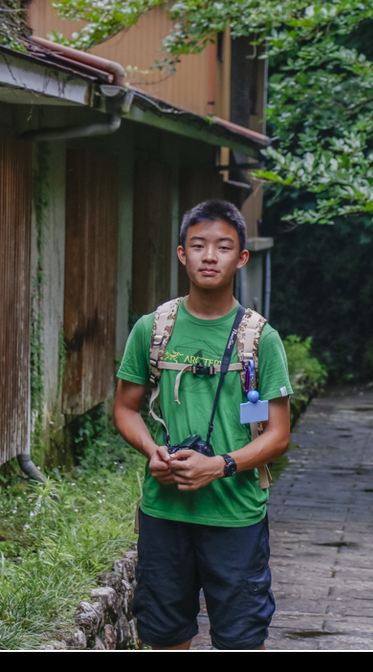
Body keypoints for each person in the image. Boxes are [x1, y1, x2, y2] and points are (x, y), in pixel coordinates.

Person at [113, 198, 292, 650]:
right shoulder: (153, 329)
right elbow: (126, 409)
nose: (209, 256)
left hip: (236, 516)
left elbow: (278, 435)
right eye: (198, 245)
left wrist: (220, 465)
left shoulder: (261, 340)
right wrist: (152, 451)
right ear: (181, 254)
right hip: (164, 513)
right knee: (164, 637)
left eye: (223, 247)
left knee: (241, 640)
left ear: (241, 257)